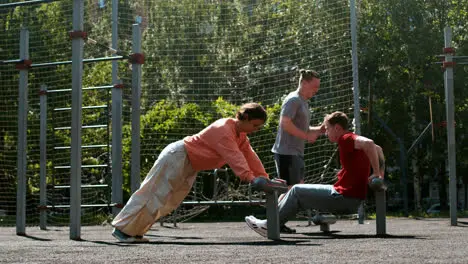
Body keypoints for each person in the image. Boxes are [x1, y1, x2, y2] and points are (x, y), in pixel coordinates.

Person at [112, 103, 274, 242]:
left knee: (169, 201)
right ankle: (122, 229)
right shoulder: (224, 129)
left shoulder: (241, 136)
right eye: (255, 125)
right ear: (245, 117)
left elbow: (250, 156)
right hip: (178, 156)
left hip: (191, 164)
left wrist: (265, 178)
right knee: (153, 193)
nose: (256, 130)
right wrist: (251, 179)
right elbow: (235, 157)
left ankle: (134, 231)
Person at [245, 111, 385, 238]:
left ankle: (269, 226)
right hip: (349, 197)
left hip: (344, 197)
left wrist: (377, 173)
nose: (326, 133)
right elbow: (378, 148)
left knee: (296, 190)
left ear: (337, 128)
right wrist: (380, 175)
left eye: (328, 129)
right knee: (298, 195)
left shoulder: (346, 138)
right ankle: (273, 223)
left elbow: (370, 143)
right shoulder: (352, 139)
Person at [271, 69, 325, 233]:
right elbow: (285, 123)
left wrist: (320, 130)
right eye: (314, 87)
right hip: (286, 152)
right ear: (304, 83)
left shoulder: (303, 102)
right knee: (290, 189)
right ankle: (274, 223)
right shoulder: (293, 100)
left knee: (295, 187)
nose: (316, 91)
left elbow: (303, 128)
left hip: (295, 152)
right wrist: (306, 136)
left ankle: (277, 221)